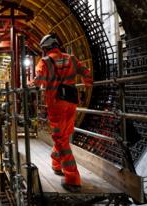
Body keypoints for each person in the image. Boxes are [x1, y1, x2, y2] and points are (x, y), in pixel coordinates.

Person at [32, 34, 93, 192]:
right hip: (72, 103)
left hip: (56, 105)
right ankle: (56, 164)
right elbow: (86, 72)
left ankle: (72, 178)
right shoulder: (71, 59)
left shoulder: (44, 62)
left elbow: (38, 81)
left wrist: (27, 85)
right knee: (63, 136)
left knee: (60, 139)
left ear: (45, 49)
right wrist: (88, 85)